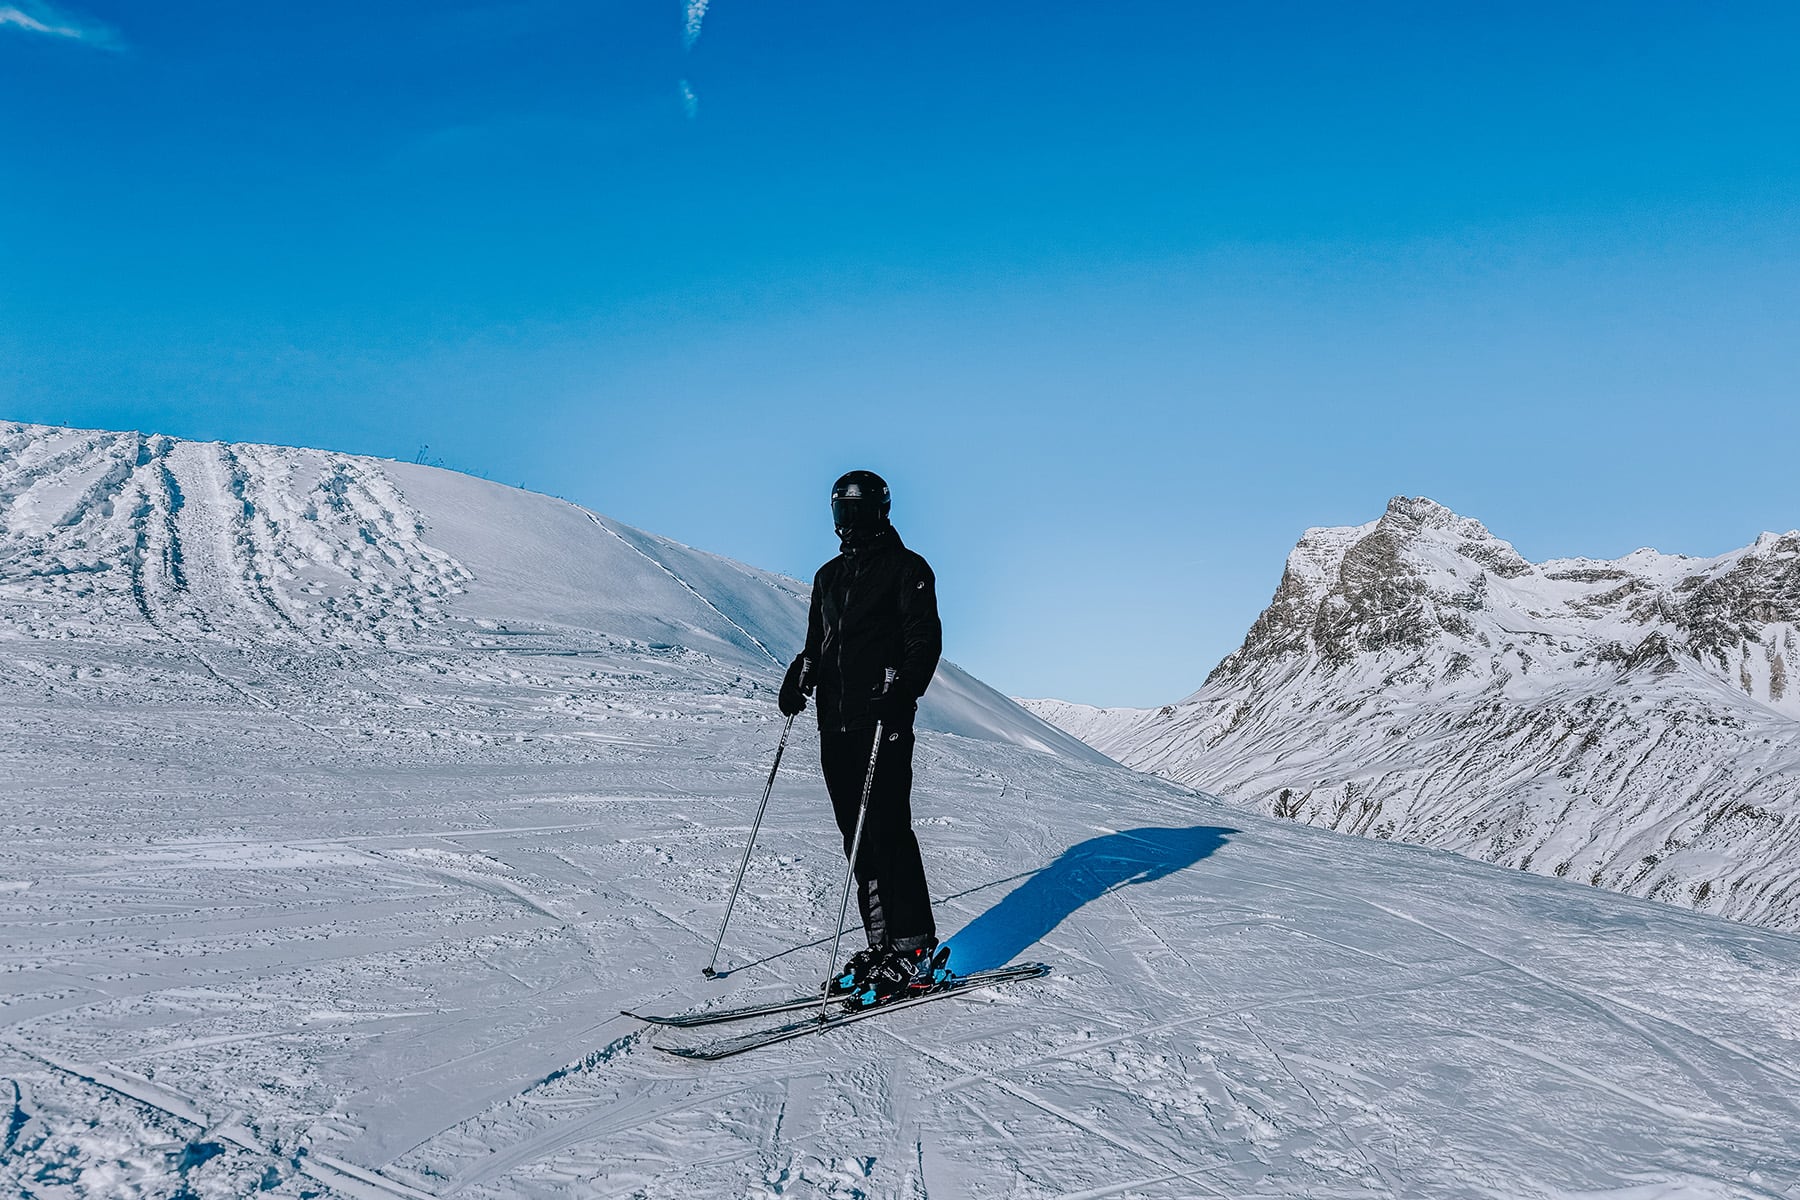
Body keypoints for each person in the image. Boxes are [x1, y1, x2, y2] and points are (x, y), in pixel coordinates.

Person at [779, 469, 947, 1004]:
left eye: (857, 510)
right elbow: (818, 644)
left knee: (889, 832)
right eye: (840, 511)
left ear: (880, 510)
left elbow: (924, 638)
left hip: (884, 722)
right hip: (837, 722)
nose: (847, 522)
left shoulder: (908, 570)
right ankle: (883, 946)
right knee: (857, 839)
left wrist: (904, 692)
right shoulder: (827, 577)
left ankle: (914, 950)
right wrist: (800, 673)